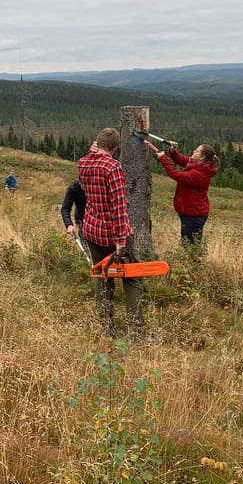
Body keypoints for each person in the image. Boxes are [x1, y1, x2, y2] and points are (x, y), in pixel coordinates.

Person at [78, 127, 144, 341]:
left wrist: (91, 153)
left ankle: (107, 330)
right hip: (111, 233)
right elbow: (118, 206)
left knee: (103, 277)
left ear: (97, 143)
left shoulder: (83, 163)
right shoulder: (113, 167)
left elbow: (87, 169)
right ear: (115, 147)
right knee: (132, 278)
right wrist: (120, 242)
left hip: (91, 230)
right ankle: (136, 334)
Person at [144, 139, 220, 245]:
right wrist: (173, 151)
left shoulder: (200, 174)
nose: (194, 151)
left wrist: (163, 158)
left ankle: (192, 261)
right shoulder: (198, 164)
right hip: (190, 213)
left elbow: (175, 175)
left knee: (190, 246)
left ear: (202, 157)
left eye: (197, 151)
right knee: (188, 243)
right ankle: (190, 260)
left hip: (194, 215)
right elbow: (180, 159)